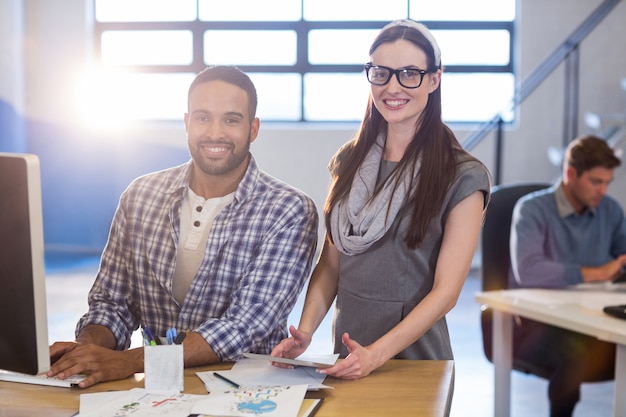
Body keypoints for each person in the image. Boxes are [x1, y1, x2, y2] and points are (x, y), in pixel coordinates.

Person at [48, 65, 319, 388]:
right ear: (187, 123)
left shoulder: (289, 210)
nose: (215, 133)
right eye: (203, 118)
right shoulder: (140, 196)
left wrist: (130, 361)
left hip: (244, 395)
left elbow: (245, 326)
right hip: (153, 393)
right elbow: (112, 304)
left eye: (231, 120)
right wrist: (87, 349)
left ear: (253, 129)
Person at [270, 19, 491, 380]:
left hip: (414, 364)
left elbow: (447, 293)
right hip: (348, 359)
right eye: (381, 73)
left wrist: (375, 356)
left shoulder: (463, 175)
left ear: (435, 79)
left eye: (409, 73)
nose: (392, 87)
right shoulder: (349, 160)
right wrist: (306, 330)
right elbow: (331, 265)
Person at [509, 134, 625, 417]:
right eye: (596, 182)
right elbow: (528, 270)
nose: (603, 190)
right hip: (539, 324)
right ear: (571, 173)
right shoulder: (532, 209)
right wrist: (595, 273)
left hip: (593, 318)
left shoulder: (609, 210)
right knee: (577, 350)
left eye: (607, 183)